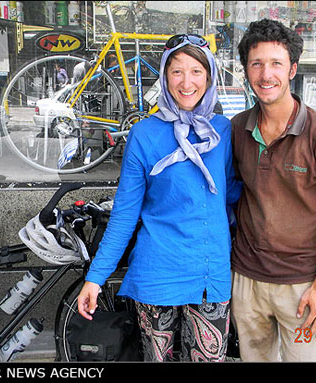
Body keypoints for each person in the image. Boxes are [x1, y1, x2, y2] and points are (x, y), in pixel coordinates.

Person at [77, 34, 241, 362]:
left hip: (211, 272)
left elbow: (231, 193)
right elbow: (125, 214)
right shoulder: (144, 134)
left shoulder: (222, 131)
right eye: (177, 71)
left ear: (209, 77)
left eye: (196, 71)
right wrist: (95, 278)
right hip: (158, 272)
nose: (186, 81)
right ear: (165, 76)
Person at [230, 19, 316, 362]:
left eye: (276, 64)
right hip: (248, 279)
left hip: (302, 283)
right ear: (246, 71)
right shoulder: (238, 128)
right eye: (256, 64)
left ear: (292, 69)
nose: (265, 74)